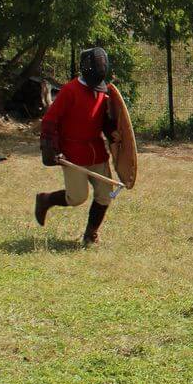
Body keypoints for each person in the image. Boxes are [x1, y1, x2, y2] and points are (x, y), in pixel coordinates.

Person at [35, 47, 120, 245]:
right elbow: (49, 121)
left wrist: (112, 132)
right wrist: (52, 150)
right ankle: (46, 199)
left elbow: (103, 119)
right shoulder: (70, 91)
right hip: (73, 153)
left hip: (97, 152)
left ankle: (91, 234)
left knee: (106, 195)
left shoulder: (102, 91)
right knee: (77, 197)